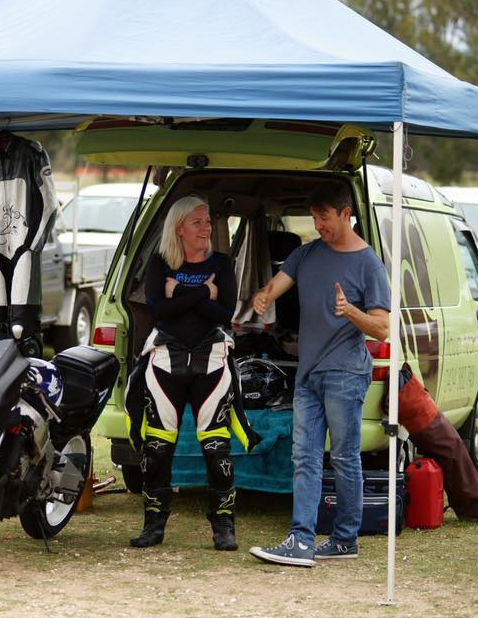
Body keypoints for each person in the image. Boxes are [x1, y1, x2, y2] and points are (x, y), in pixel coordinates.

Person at [248, 183, 390, 567]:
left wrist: (352, 313)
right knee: (304, 456)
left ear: (346, 214)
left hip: (345, 373)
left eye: (324, 218)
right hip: (308, 375)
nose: (318, 225)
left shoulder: (368, 264)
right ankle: (301, 539)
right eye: (314, 218)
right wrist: (264, 296)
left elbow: (382, 328)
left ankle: (345, 539)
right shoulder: (305, 254)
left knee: (344, 458)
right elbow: (277, 285)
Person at [125, 195, 260, 552]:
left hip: (211, 361)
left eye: (208, 221)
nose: (207, 228)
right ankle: (153, 525)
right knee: (155, 449)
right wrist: (204, 291)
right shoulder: (159, 263)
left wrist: (180, 293)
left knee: (217, 449)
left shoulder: (222, 262)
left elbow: (224, 313)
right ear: (180, 227)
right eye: (199, 222)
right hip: (165, 361)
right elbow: (158, 311)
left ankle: (223, 525)